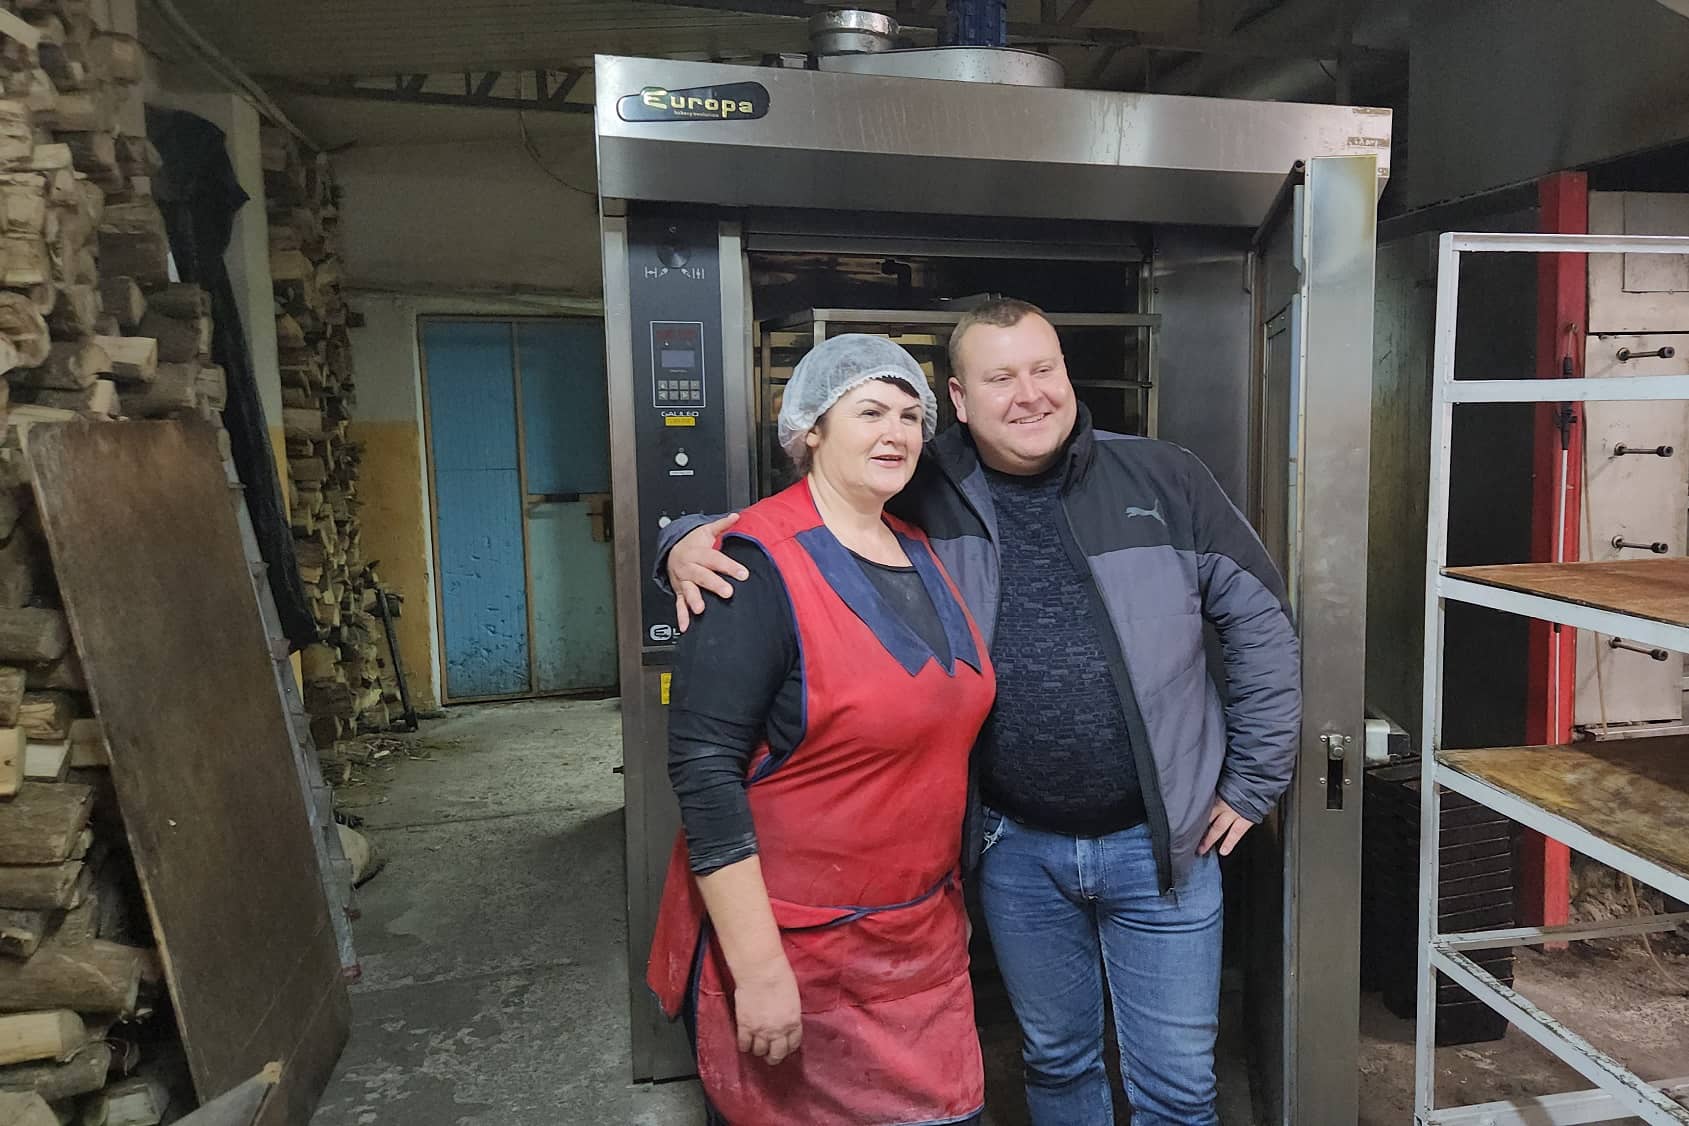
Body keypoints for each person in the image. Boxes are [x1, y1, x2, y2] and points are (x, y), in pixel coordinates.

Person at [662, 298, 1301, 1126]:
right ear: (959, 402)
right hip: (1012, 847)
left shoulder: (1164, 477)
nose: (1029, 395)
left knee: (1178, 1084)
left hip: (1162, 849)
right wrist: (680, 537)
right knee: (1057, 1060)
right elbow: (799, 523)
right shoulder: (924, 485)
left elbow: (1259, 622)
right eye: (1000, 378)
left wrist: (1253, 780)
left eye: (1044, 369)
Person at [647, 333, 996, 1126]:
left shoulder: (921, 551)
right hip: (795, 949)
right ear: (809, 431)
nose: (897, 432)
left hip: (919, 942)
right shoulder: (749, 567)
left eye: (911, 415)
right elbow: (704, 772)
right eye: (869, 411)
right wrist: (759, 969)